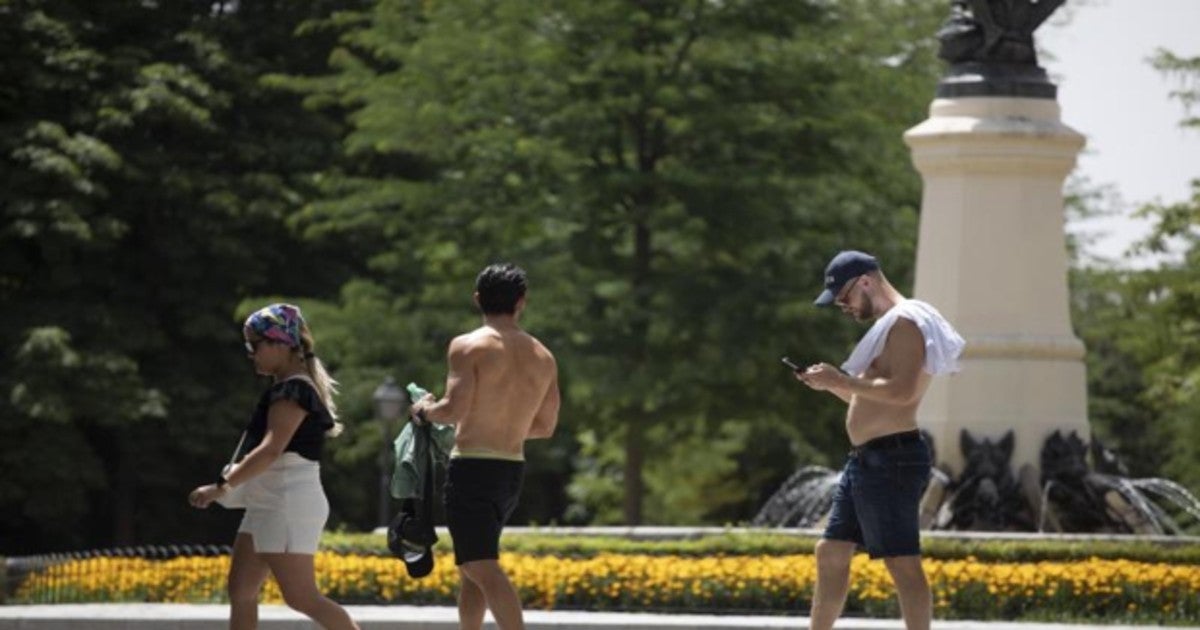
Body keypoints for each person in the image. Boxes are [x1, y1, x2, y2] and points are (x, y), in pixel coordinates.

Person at [796, 250, 964, 630]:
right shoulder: (891, 324)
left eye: (845, 297)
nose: (844, 307)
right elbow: (871, 399)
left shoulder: (905, 323)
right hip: (868, 458)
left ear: (867, 282)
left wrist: (840, 379)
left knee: (902, 561)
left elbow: (902, 392)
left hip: (892, 458)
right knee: (831, 551)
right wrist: (829, 386)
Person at [188, 303, 360, 630]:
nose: (251, 353)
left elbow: (270, 450)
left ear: (279, 343)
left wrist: (221, 488)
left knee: (301, 597)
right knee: (241, 590)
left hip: (286, 502)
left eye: (254, 345)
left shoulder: (292, 388)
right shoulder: (287, 386)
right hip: (268, 500)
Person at [410, 262, 560, 630]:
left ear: (478, 299)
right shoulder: (543, 356)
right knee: (472, 565)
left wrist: (423, 411)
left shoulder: (468, 346)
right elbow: (544, 426)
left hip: (473, 468)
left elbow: (453, 409)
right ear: (521, 302)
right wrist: (502, 423)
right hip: (511, 469)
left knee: (481, 566)